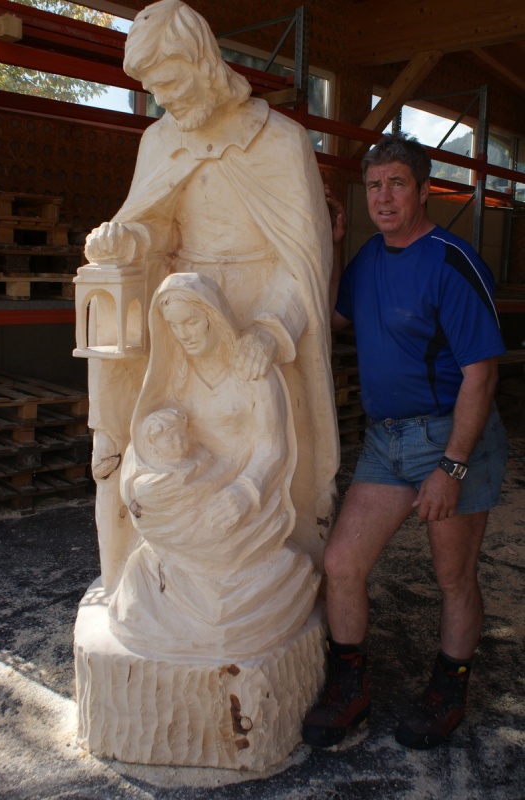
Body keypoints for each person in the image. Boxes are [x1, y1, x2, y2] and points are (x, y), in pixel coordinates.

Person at [83, 0, 339, 583]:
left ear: (202, 60)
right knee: (168, 440)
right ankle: (159, 573)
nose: (163, 99)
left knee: (256, 440)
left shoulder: (280, 140)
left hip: (258, 308)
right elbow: (158, 226)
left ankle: (260, 569)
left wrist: (271, 331)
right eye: (151, 89)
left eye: (169, 82)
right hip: (181, 314)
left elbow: (303, 258)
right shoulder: (159, 140)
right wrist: (128, 239)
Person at [302, 132, 507, 750]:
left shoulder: (452, 261)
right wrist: (336, 247)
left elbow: (481, 374)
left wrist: (452, 467)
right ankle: (350, 686)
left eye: (396, 183)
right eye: (374, 186)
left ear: (423, 190)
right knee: (341, 564)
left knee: (452, 576)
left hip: (449, 437)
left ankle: (449, 688)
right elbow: (332, 318)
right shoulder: (369, 257)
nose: (384, 197)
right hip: (385, 441)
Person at [108, 272, 319, 660]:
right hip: (193, 481)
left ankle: (239, 600)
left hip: (244, 488)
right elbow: (148, 432)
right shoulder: (176, 373)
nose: (184, 334)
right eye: (174, 326)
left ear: (215, 317)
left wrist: (245, 493)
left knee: (213, 538)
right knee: (156, 526)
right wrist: (140, 476)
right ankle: (168, 602)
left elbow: (272, 447)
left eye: (192, 322)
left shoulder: (251, 371)